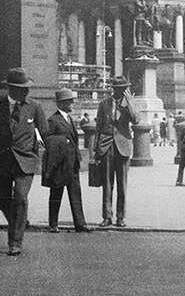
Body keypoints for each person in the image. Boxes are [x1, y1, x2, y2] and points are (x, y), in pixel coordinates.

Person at [0, 66, 45, 255]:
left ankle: (15, 243)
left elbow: (45, 133)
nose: (27, 91)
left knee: (20, 198)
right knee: (2, 200)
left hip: (26, 161)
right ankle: (19, 221)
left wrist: (52, 151)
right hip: (2, 161)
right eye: (23, 88)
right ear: (11, 89)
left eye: (27, 88)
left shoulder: (35, 107)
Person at [42, 86, 90, 233]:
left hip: (72, 163)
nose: (72, 104)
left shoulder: (69, 118)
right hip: (60, 164)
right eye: (69, 101)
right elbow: (47, 139)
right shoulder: (53, 120)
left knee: (75, 194)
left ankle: (80, 224)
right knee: (56, 194)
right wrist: (63, 141)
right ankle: (53, 224)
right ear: (62, 103)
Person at [94, 79, 138, 226]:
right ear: (114, 89)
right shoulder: (104, 104)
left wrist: (130, 102)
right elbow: (98, 127)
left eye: (124, 88)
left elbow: (136, 120)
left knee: (122, 184)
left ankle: (120, 216)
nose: (121, 91)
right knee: (107, 183)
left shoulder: (128, 104)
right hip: (106, 146)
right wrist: (96, 150)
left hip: (123, 147)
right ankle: (107, 216)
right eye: (119, 88)